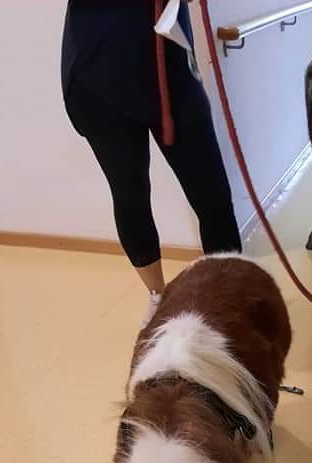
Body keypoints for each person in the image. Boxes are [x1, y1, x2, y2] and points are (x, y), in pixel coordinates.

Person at [62, 0, 241, 325]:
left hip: (172, 70)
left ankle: (228, 300)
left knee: (213, 195)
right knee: (129, 194)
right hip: (98, 74)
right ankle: (158, 298)